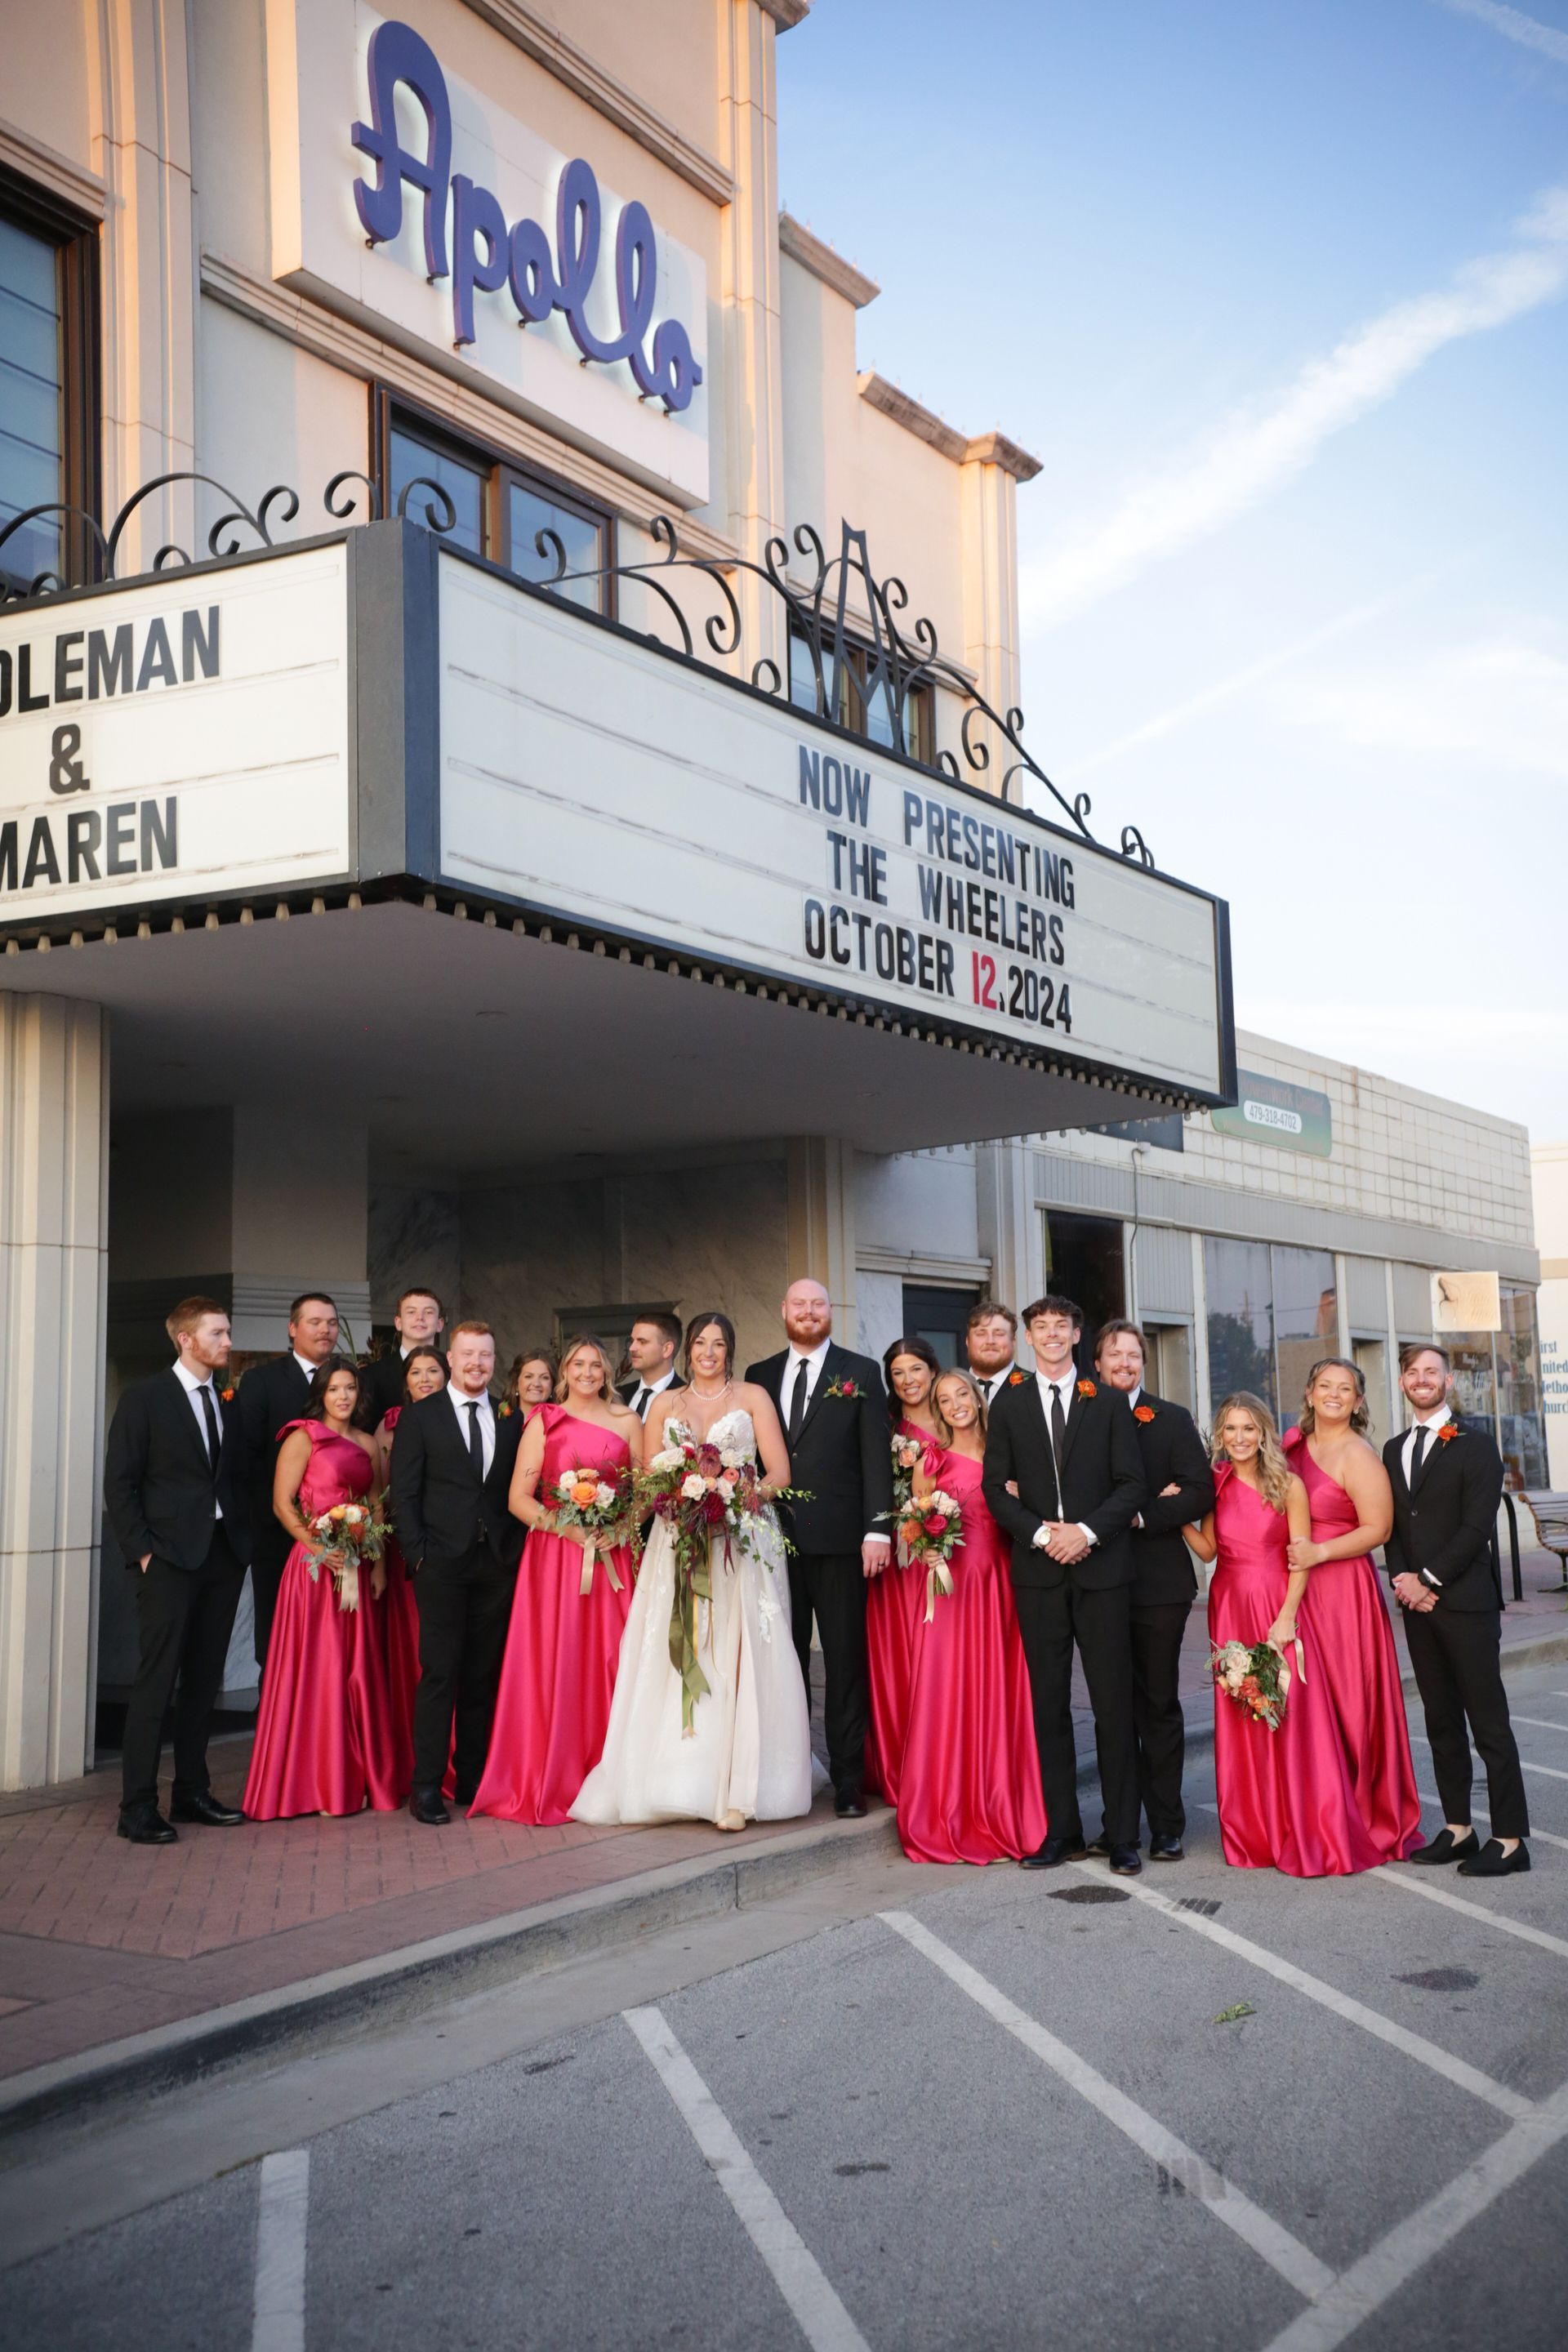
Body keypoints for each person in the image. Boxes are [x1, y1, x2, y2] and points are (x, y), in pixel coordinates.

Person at [575, 1312, 810, 1830]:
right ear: (686, 1351)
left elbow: (780, 1473)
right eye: (700, 1343)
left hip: (742, 1540)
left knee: (741, 1650)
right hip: (677, 1538)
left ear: (730, 1350)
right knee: (686, 1646)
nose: (708, 1352)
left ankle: (741, 1786)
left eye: (719, 1344)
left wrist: (736, 1500)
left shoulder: (752, 1398)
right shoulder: (665, 1404)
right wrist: (638, 1518)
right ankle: (677, 1781)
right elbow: (648, 1479)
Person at [982, 1293, 1145, 1874]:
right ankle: (1062, 1830)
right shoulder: (1010, 1401)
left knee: (1111, 1706)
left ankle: (1123, 1834)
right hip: (1039, 1574)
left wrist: (1084, 1533)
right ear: (1028, 1338)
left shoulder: (1106, 1401)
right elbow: (995, 1488)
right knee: (1048, 1707)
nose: (1051, 1335)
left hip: (1101, 1572)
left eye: (1062, 1326)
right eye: (1041, 1327)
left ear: (1079, 1335)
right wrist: (1041, 1536)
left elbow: (1131, 1485)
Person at [1189, 1393, 1380, 1878]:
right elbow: (1209, 1551)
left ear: (1264, 1433)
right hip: (1229, 1604)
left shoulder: (1288, 1485)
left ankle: (1301, 1825)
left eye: (1248, 1429)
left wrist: (1287, 1618)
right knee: (1242, 1714)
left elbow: (1302, 1557)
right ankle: (1255, 1830)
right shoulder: (1216, 1482)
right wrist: (1173, 1523)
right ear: (1219, 1434)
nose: (1239, 1438)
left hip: (1276, 1603)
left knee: (1291, 1716)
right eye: (1230, 1429)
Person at [470, 1337, 642, 1825]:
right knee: (558, 1659)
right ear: (565, 1371)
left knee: (613, 1657)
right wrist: (562, 1526)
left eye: (596, 1365)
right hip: (556, 1559)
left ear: (608, 1372)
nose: (587, 1372)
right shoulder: (543, 1420)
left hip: (612, 1555)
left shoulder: (628, 1421)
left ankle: (613, 1775)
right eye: (577, 1365)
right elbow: (519, 1498)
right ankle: (554, 1772)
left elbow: (645, 1489)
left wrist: (621, 1526)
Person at [103, 1297, 252, 1844]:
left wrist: (242, 1543)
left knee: (204, 1681)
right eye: (218, 1333)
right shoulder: (145, 1397)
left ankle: (190, 1791)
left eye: (228, 1331)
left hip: (221, 1555)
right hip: (166, 1558)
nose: (228, 1342)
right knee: (156, 1680)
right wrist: (143, 1552)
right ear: (187, 1339)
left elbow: (235, 1479)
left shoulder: (226, 1401)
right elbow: (120, 1482)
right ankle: (136, 1805)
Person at [746, 1280, 894, 1817]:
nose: (808, 1313)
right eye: (799, 1305)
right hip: (772, 1543)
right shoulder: (758, 1376)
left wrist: (877, 1529)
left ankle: (848, 1781)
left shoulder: (860, 1372)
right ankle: (791, 1773)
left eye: (818, 1305)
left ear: (831, 1313)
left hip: (841, 1543)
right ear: (784, 1311)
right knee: (782, 1661)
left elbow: (875, 1455)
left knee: (844, 1660)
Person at [1385, 1343, 1529, 1878]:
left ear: (1448, 1382)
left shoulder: (1476, 1444)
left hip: (1464, 1603)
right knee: (1441, 1720)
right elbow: (1395, 1524)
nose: (1422, 1379)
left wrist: (1427, 1580)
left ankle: (1511, 1839)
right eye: (1413, 1372)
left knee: (1487, 1722)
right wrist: (1403, 1582)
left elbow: (1476, 1528)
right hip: (1418, 1606)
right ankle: (1459, 1829)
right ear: (1403, 1383)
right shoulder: (1393, 1447)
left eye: (1432, 1372)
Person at [896, 1369, 1047, 1864]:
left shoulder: (1011, 1452)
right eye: (945, 1399)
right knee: (949, 1692)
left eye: (963, 1393)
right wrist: (926, 1549)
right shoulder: (931, 1460)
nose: (956, 1404)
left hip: (1002, 1585)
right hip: (951, 1590)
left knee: (1000, 1691)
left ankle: (1002, 1808)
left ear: (978, 1398)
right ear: (937, 1410)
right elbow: (912, 1528)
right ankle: (949, 1811)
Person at [242, 1357, 403, 1819]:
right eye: (335, 1389)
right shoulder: (302, 1436)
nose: (344, 1397)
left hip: (356, 1565)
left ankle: (353, 1775)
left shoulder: (368, 1443)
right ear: (322, 1394)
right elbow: (282, 1504)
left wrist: (376, 1566)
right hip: (314, 1572)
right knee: (318, 1668)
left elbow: (374, 1504)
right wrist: (318, 1548)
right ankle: (310, 1780)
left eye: (350, 1388)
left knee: (356, 1670)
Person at [1284, 1359, 1422, 1864]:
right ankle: (1320, 1808)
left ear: (1359, 1402)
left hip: (1341, 1589)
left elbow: (1379, 1530)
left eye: (1346, 1389)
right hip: (1297, 1587)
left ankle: (1365, 1813)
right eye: (1326, 1386)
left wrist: (1320, 1552)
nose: (1335, 1395)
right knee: (1308, 1702)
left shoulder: (1358, 1455)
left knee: (1349, 1700)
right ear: (1310, 1392)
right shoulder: (1292, 1446)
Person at [390, 1321, 525, 1824]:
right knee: (440, 1673)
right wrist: (419, 1554)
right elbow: (403, 1494)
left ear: (493, 1361)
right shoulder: (419, 1417)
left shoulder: (511, 1419)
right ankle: (425, 1785)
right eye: (468, 1355)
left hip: (495, 1565)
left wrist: (511, 1551)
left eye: (485, 1356)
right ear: (451, 1358)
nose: (477, 1364)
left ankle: (470, 1779)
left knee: (481, 1677)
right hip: (440, 1565)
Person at [1092, 1321, 1214, 1860]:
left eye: (1132, 1355)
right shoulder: (1080, 1414)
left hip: (1158, 1584)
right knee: (1112, 1709)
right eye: (1114, 1354)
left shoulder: (1171, 1419)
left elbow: (1197, 1491)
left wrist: (1141, 1516)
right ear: (1096, 1363)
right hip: (1095, 1582)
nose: (1124, 1362)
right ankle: (1118, 1824)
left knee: (1158, 1704)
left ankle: (1167, 1823)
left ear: (1143, 1362)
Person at [234, 1293, 341, 1672]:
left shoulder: (349, 1380)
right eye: (314, 1322)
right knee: (278, 1639)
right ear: (292, 1328)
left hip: (342, 1539)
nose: (325, 1330)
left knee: (333, 1643)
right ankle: (276, 1724)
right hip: (276, 1535)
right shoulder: (262, 1381)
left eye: (331, 1322)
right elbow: (247, 1457)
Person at [866, 1334, 944, 1806]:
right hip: (899, 1559)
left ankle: (939, 1760)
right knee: (901, 1659)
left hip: (941, 1553)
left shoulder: (958, 1418)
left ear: (932, 1370)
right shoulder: (884, 1425)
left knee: (937, 1660)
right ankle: (900, 1765)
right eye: (897, 1373)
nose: (908, 1380)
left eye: (915, 1369)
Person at [376, 1345, 451, 1777]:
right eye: (416, 1372)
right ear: (405, 1380)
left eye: (433, 1370)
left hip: (446, 1554)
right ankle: (408, 1758)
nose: (424, 1378)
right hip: (406, 1550)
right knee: (413, 1656)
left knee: (442, 1656)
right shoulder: (387, 1428)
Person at [359, 1287, 447, 1428]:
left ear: (440, 1324)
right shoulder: (370, 1375)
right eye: (411, 1312)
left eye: (429, 1312)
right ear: (398, 1323)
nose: (420, 1318)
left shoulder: (454, 1373)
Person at [618, 1312, 683, 1420]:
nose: (632, 1348)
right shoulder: (619, 1395)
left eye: (642, 1342)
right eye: (632, 1341)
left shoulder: (687, 1397)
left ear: (667, 1349)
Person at [965, 1301, 1027, 1409]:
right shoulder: (949, 1389)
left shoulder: (1036, 1388)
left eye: (999, 1334)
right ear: (967, 1341)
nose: (990, 1341)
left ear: (1013, 1341)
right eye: (981, 1334)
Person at [506, 1348, 558, 1416]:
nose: (536, 1384)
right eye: (528, 1376)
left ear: (552, 1385)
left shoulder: (562, 1423)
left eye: (545, 1378)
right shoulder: (498, 1420)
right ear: (516, 1384)